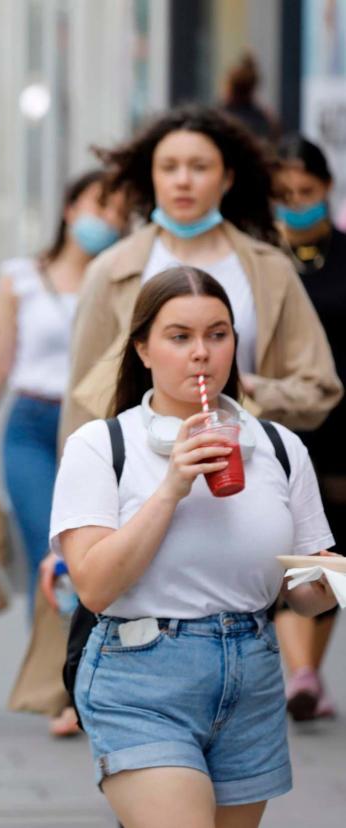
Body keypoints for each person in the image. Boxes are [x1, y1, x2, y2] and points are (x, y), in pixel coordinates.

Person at [52, 266, 338, 828]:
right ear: (143, 349)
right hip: (140, 674)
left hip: (251, 674)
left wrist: (329, 577)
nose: (201, 353)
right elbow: (93, 584)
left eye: (218, 334)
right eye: (180, 337)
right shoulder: (102, 445)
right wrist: (173, 487)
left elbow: (303, 598)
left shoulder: (279, 448)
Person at [60, 104, 342, 446]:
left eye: (199, 167)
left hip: (244, 468)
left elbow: (320, 388)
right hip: (140, 478)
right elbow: (81, 399)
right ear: (152, 176)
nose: (183, 180)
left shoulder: (270, 270)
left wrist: (247, 387)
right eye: (169, 167)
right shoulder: (111, 270)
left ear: (227, 178)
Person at [0, 170, 128, 737]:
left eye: (118, 211)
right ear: (69, 206)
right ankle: (65, 686)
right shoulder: (22, 278)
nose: (105, 219)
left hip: (98, 430)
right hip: (32, 426)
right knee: (51, 555)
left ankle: (92, 681)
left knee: (99, 556)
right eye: (97, 205)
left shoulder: (122, 280)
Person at [271, 134, 346, 720]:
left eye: (307, 192)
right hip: (278, 425)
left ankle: (307, 674)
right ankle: (300, 672)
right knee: (278, 545)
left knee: (329, 549)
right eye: (285, 193)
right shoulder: (262, 260)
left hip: (341, 425)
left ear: (327, 189)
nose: (297, 202)